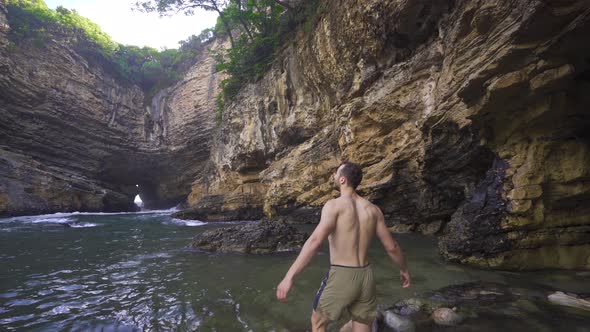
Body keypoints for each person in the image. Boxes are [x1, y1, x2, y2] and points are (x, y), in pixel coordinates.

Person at [276, 162, 411, 332]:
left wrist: (289, 277)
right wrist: (404, 269)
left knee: (318, 323)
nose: (333, 176)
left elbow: (315, 242)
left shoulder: (334, 206)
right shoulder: (373, 210)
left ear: (342, 179)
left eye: (335, 174)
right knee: (362, 325)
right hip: (366, 277)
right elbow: (392, 246)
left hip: (342, 274)